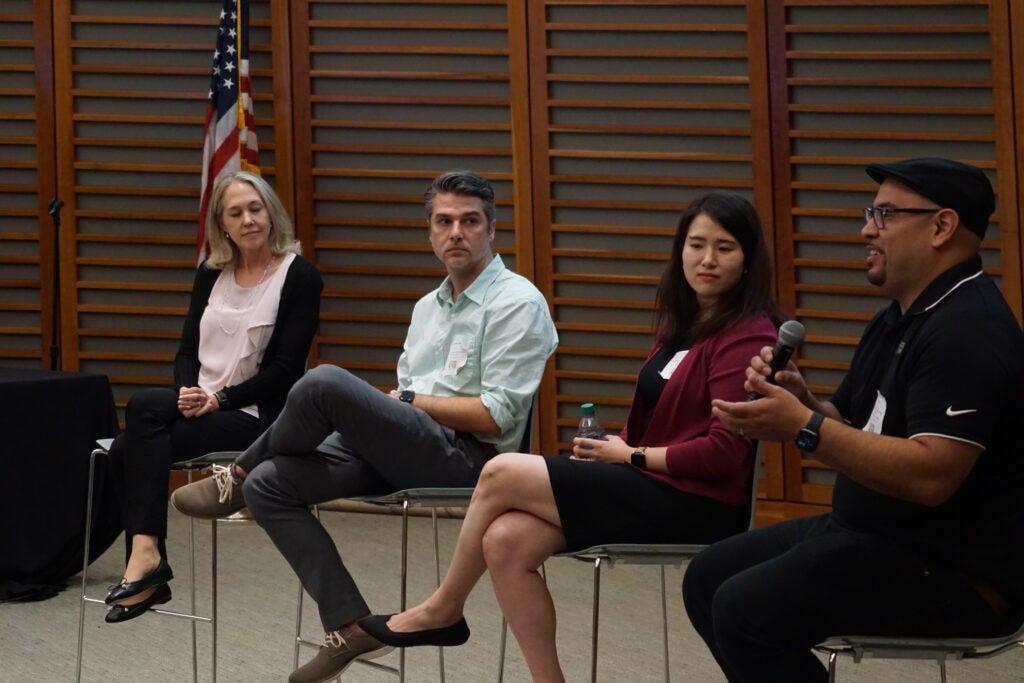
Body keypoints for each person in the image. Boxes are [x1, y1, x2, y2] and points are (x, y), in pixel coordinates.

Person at [357, 191, 783, 683]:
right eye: (696, 245)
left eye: (725, 248)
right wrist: (614, 450)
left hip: (699, 502)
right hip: (650, 481)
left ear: (749, 258)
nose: (707, 259)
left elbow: (725, 454)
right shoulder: (684, 323)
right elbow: (652, 422)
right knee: (505, 541)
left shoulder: (749, 335)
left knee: (499, 470)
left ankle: (443, 608)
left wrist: (633, 456)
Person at [171, 169, 558, 683]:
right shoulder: (427, 308)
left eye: (469, 221)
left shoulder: (517, 301)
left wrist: (408, 402)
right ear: (429, 232)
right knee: (272, 486)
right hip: (406, 451)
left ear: (492, 230)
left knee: (323, 381)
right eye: (443, 222)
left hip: (472, 462)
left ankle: (236, 475)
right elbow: (404, 404)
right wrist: (391, 409)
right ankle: (348, 624)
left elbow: (494, 417)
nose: (456, 233)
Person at [683, 158, 1024, 682]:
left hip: (952, 567)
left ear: (942, 226)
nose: (867, 228)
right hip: (872, 531)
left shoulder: (968, 330)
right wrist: (802, 401)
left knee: (746, 609)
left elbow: (932, 476)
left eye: (885, 214)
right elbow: (853, 424)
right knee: (708, 576)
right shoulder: (900, 316)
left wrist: (802, 425)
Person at [102, 171, 323, 623]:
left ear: (270, 212)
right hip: (203, 402)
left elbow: (286, 371)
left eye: (255, 209)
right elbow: (187, 351)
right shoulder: (211, 274)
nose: (248, 220)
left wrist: (220, 400)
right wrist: (189, 391)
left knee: (127, 447)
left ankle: (147, 563)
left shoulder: (300, 276)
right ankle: (147, 559)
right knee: (146, 408)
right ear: (222, 224)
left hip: (254, 414)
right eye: (236, 213)